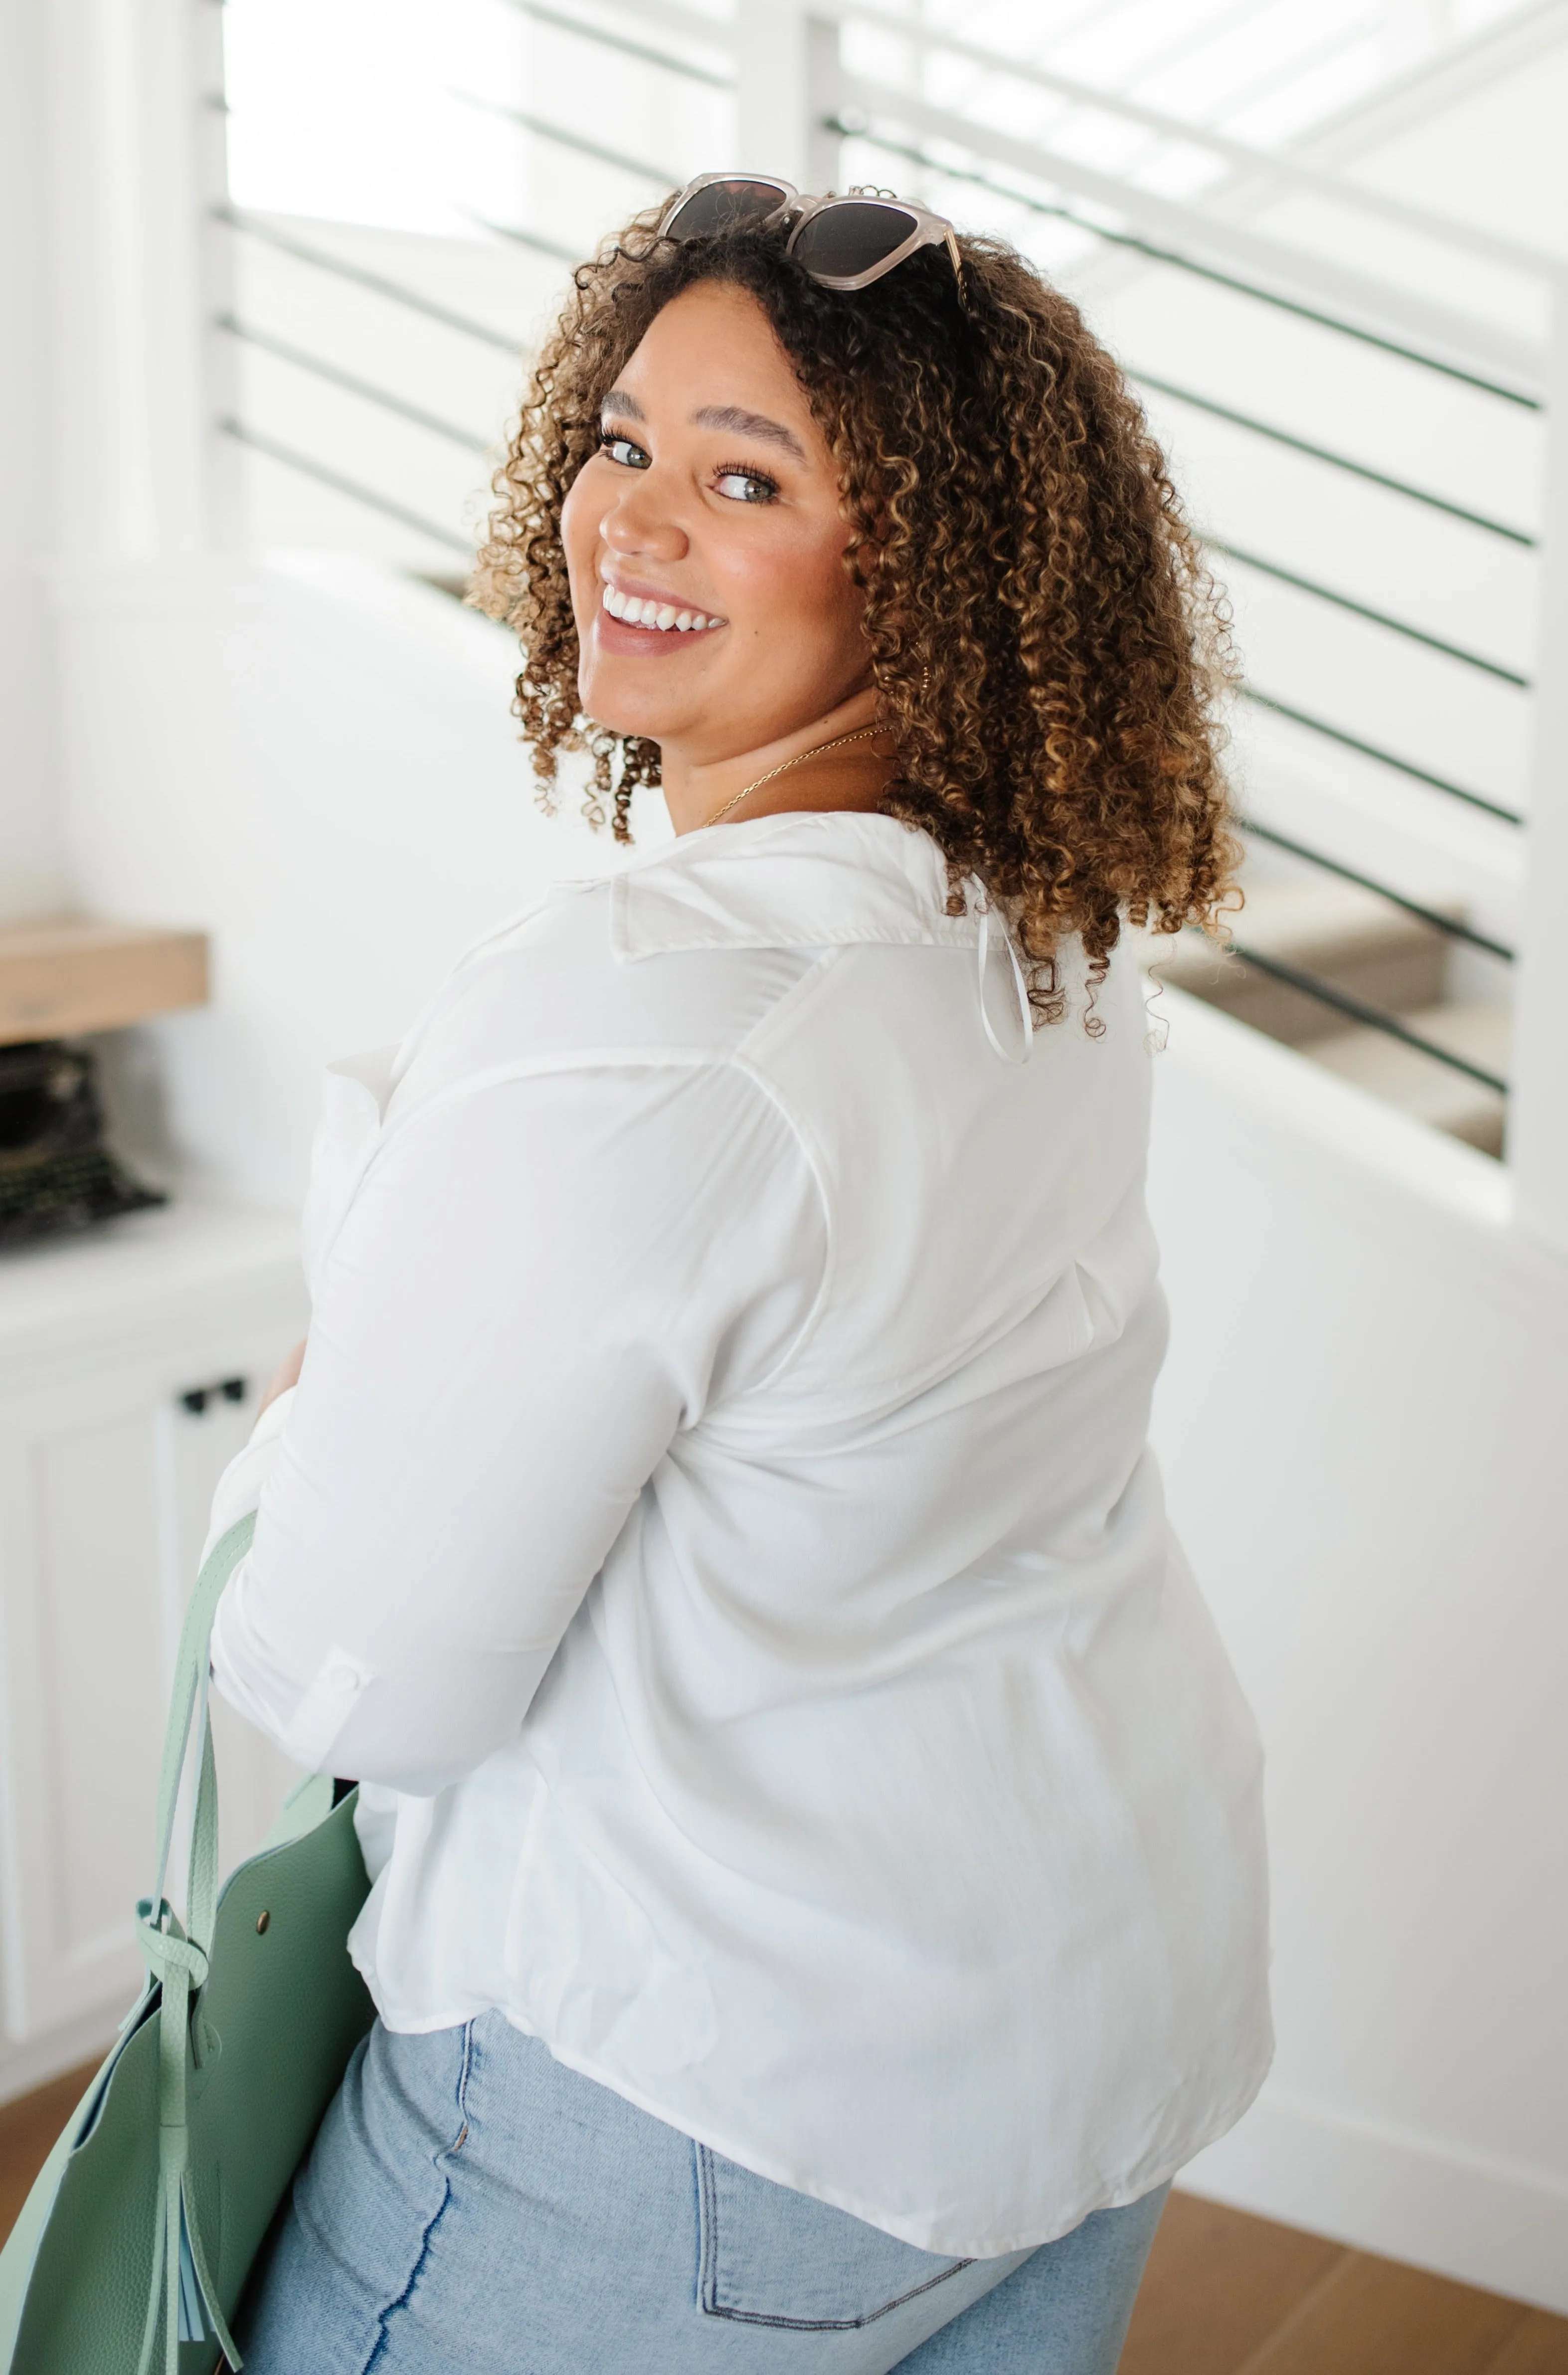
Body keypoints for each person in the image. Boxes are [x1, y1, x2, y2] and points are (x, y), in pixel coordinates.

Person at [209, 178, 1271, 2374]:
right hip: (1089, 2017)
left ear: (931, 567)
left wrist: (308, 1424)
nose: (634, 517)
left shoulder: (657, 1005)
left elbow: (353, 1679)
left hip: (704, 2103)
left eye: (746, 475)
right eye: (619, 440)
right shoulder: (1036, 952)